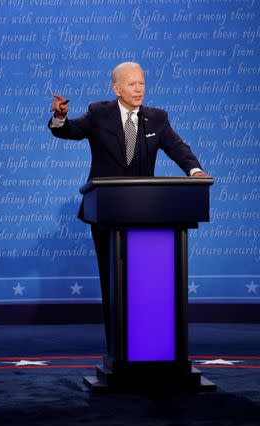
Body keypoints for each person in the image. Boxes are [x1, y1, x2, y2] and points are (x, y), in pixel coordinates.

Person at [47, 61, 207, 354]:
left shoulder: (156, 119)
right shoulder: (99, 113)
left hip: (148, 214)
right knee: (114, 283)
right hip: (106, 212)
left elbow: (176, 147)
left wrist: (194, 170)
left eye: (142, 83)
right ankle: (118, 352)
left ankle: (150, 350)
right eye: (132, 84)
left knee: (146, 286)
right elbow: (67, 131)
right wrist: (60, 117)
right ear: (116, 88)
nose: (138, 89)